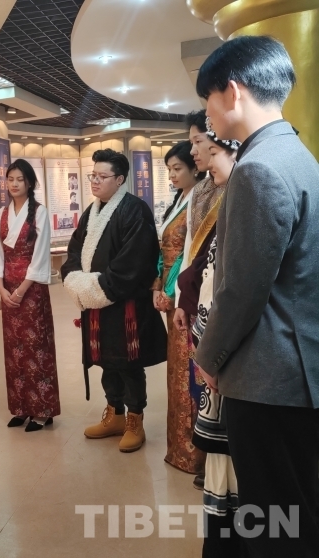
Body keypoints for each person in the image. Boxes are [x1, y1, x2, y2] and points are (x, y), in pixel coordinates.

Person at [195, 35, 319, 556]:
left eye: (207, 98)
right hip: (298, 370)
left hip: (269, 380)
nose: (207, 114)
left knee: (274, 521)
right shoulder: (298, 154)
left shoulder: (257, 169)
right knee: (298, 510)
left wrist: (208, 357)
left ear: (232, 90)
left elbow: (242, 290)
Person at [62, 149, 167, 453]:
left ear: (119, 180)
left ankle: (135, 419)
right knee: (106, 360)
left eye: (102, 176)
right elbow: (74, 250)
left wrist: (101, 287)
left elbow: (135, 261)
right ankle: (114, 413)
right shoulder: (92, 211)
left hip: (124, 302)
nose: (94, 181)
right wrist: (75, 280)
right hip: (97, 301)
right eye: (92, 175)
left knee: (128, 361)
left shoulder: (135, 210)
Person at [180, 127, 244, 557]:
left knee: (238, 466)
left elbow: (234, 291)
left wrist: (212, 354)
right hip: (215, 346)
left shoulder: (245, 198)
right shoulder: (219, 194)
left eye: (211, 148)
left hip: (233, 357)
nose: (199, 152)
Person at [0, 159, 60, 432]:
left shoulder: (39, 212)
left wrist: (21, 290)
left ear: (29, 183)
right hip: (8, 288)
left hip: (32, 289)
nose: (14, 184)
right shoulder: (1, 215)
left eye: (20, 179)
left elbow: (41, 255)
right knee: (14, 348)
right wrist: (1, 288)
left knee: (36, 345)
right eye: (10, 179)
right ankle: (20, 408)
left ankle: (42, 410)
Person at [152, 141, 206, 475]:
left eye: (177, 169)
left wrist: (171, 290)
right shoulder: (181, 199)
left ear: (194, 168)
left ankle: (193, 451)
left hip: (187, 296)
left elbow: (190, 255)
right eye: (169, 169)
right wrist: (158, 286)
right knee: (176, 371)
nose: (172, 175)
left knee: (189, 372)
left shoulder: (200, 199)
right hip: (171, 294)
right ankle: (179, 448)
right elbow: (165, 252)